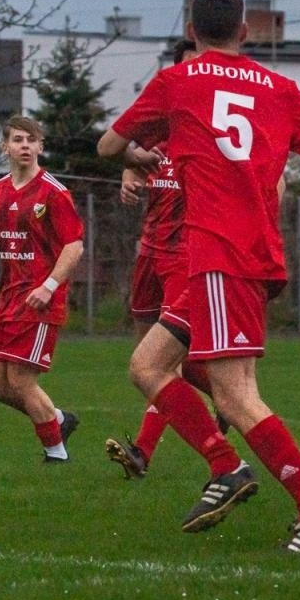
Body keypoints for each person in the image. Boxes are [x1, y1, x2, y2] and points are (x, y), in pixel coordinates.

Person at [100, 0, 300, 553]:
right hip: (243, 253)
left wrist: (143, 153)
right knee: (147, 366)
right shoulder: (280, 89)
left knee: (236, 394)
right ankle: (225, 466)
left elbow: (108, 143)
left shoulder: (177, 82)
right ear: (246, 31)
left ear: (192, 32)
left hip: (222, 253)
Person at [103, 39, 219, 479]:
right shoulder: (159, 122)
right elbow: (129, 155)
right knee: (151, 360)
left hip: (186, 256)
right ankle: (227, 402)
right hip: (149, 250)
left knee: (161, 362)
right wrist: (129, 177)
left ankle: (144, 451)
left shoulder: (212, 127)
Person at [0, 116, 86, 462]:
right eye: (18, 140)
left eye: (32, 140)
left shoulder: (54, 193)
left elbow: (74, 247)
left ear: (41, 147)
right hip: (8, 300)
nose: (25, 146)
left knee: (20, 379)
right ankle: (57, 419)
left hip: (41, 301)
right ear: (6, 147)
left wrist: (49, 285)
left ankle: (56, 454)